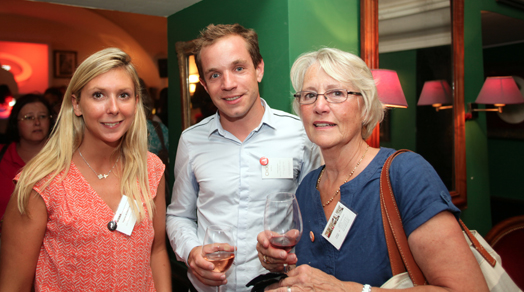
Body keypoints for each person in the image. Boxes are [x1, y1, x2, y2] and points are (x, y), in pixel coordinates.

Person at [256, 48, 487, 291]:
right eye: (309, 95)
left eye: (336, 93)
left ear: (365, 108)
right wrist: (280, 265)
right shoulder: (306, 188)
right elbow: (316, 274)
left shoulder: (406, 174)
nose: (320, 105)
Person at [0, 48, 171, 292]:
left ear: (136, 102)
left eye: (123, 95)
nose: (113, 108)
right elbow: (13, 286)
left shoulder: (150, 169)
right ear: (76, 104)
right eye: (98, 95)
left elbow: (158, 250)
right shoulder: (41, 182)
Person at [166, 24, 320, 292]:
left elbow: (316, 217)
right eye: (214, 75)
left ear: (258, 69)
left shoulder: (301, 135)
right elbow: (179, 215)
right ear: (204, 84)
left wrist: (292, 257)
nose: (228, 84)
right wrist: (192, 252)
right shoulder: (191, 141)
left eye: (239, 68)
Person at [0, 94, 53, 285]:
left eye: (42, 116)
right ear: (16, 123)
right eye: (29, 117)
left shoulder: (64, 160)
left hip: (47, 265)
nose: (37, 122)